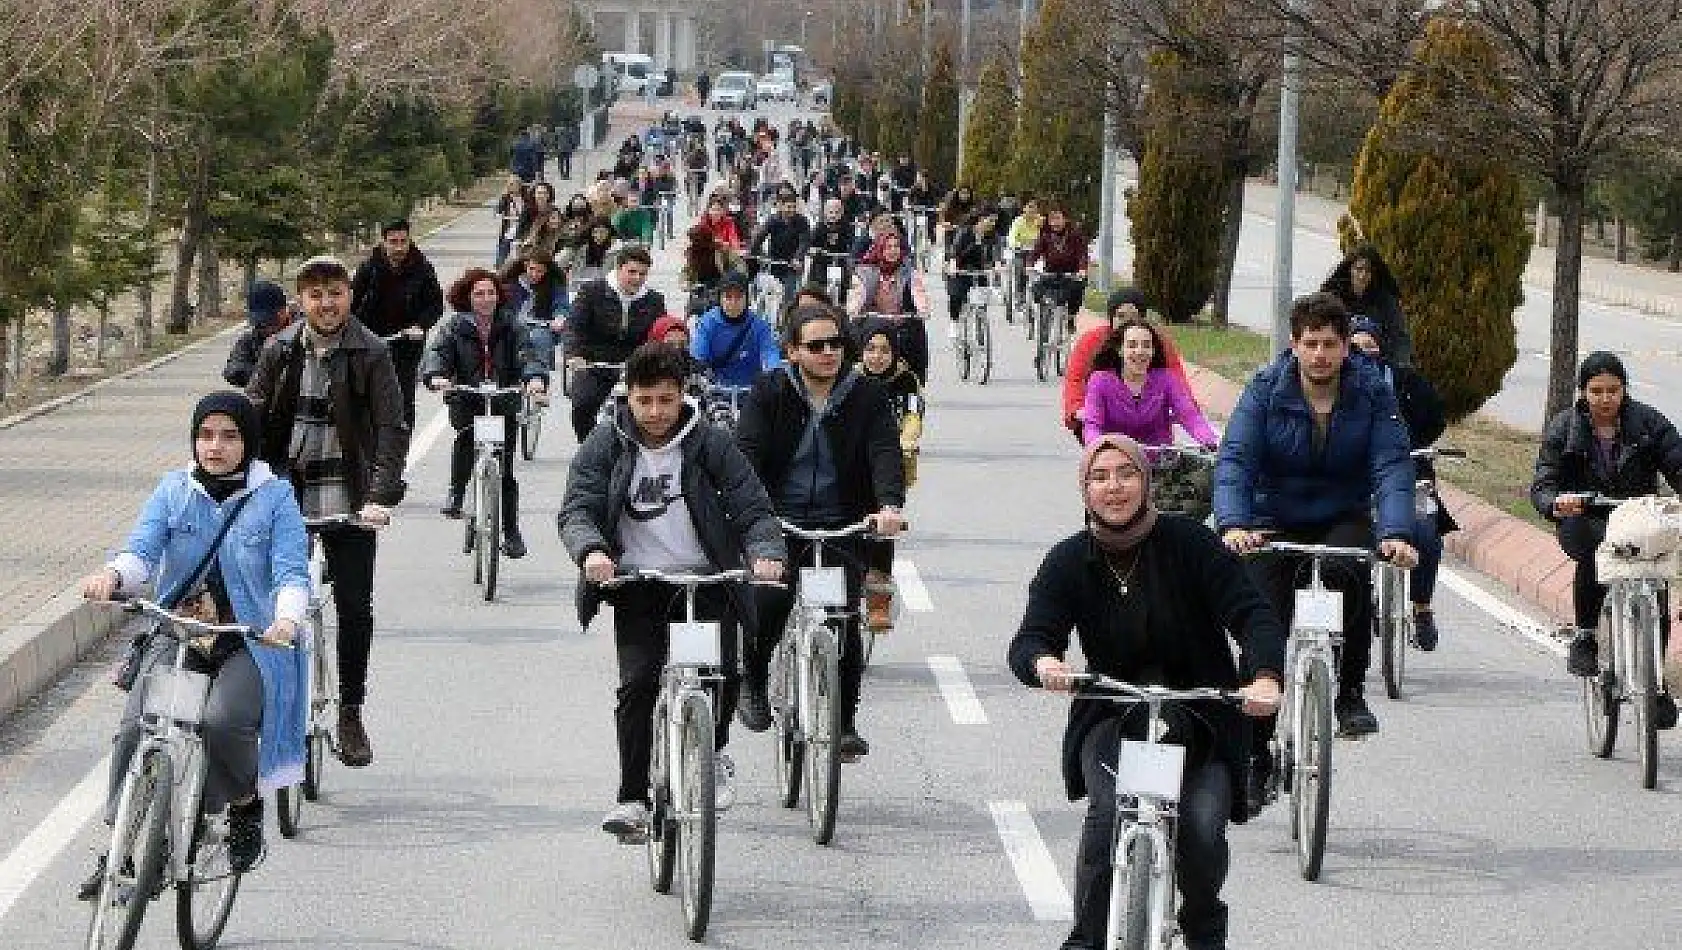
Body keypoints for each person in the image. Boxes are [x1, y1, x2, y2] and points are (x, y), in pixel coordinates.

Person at [1008, 433, 1285, 950]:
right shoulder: (1069, 560)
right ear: (1085, 490)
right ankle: (1087, 939)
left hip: (1200, 717)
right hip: (1114, 714)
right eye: (1100, 476)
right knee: (1108, 812)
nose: (1114, 487)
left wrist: (1264, 675)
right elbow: (1031, 637)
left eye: (1126, 473)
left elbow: (1253, 614)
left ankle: (1204, 926)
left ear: (1146, 480)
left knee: (1201, 834)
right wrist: (1043, 662)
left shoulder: (1191, 543)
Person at [75, 392, 309, 899]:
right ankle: (122, 844)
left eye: (229, 436)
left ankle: (244, 803)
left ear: (247, 443)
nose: (215, 447)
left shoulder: (276, 498)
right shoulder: (173, 490)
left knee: (222, 721)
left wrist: (286, 620)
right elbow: (141, 551)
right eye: (205, 435)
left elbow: (291, 570)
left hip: (247, 638)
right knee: (138, 722)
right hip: (178, 629)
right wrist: (112, 575)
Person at [560, 342, 786, 839]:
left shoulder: (710, 442)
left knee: (722, 674)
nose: (656, 412)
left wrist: (765, 552)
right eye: (646, 401)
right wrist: (592, 553)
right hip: (639, 583)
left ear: (682, 396)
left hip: (706, 582)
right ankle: (633, 799)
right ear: (630, 398)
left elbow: (753, 506)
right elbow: (578, 506)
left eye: (667, 399)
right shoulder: (606, 442)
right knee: (638, 684)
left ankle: (714, 747)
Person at [1214, 292, 1416, 746]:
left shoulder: (1371, 393)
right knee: (1263, 612)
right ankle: (1258, 728)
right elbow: (1237, 462)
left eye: (1329, 344)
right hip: (1272, 518)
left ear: (1346, 346)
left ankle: (1348, 693)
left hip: (1340, 514)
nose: (1320, 354)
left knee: (1351, 574)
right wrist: (1233, 524)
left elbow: (1391, 465)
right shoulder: (1264, 390)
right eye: (1311, 343)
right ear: (1294, 344)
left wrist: (1397, 532)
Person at [246, 255, 407, 767]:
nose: (327, 304)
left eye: (335, 292)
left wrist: (378, 497)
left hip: (350, 497)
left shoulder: (371, 352)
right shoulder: (279, 351)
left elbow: (390, 429)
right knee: (273, 603)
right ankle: (269, 702)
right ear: (302, 300)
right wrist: (240, 478)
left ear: (348, 296)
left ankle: (351, 711)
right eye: (315, 295)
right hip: (288, 495)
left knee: (354, 608)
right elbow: (251, 415)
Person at [735, 305, 907, 758]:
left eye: (835, 343)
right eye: (816, 345)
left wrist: (888, 505)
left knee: (845, 621)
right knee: (770, 598)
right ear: (792, 351)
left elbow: (884, 451)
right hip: (777, 521)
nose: (829, 352)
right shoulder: (769, 391)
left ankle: (843, 720)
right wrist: (751, 515)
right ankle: (752, 675)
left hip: (841, 522)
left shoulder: (865, 395)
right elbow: (746, 455)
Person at [1532, 350, 1682, 728]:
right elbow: (1543, 482)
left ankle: (1656, 682)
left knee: (1656, 578)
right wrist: (1556, 503)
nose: (1605, 398)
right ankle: (1584, 635)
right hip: (1587, 518)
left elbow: (1678, 464)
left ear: (1624, 390)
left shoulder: (1649, 423)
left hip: (1637, 518)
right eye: (1596, 390)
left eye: (1612, 390)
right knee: (1592, 553)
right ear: (1583, 393)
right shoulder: (1564, 427)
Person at [1348, 317, 1456, 651]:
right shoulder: (1343, 382)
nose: (1365, 353)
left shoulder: (1406, 379)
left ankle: (1421, 607)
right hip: (1357, 474)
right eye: (1356, 346)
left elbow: (1435, 416)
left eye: (1371, 345)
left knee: (1426, 531)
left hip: (1409, 468)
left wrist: (1415, 444)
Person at [424, 268, 547, 556]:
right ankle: (456, 492)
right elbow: (438, 354)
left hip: (503, 399)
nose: (486, 298)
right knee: (467, 437)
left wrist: (534, 378)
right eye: (479, 293)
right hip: (468, 398)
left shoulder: (512, 325)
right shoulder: (454, 327)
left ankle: (512, 532)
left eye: (491, 292)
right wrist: (437, 376)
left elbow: (528, 353)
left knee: (504, 471)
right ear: (467, 297)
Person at [854, 318, 925, 631]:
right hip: (850, 465)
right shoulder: (849, 378)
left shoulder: (905, 379)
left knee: (883, 525)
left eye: (884, 350)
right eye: (870, 349)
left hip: (890, 466)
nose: (877, 357)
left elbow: (913, 415)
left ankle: (879, 599)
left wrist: (907, 440)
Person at [349, 219, 445, 430]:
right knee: (365, 394)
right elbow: (352, 304)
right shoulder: (369, 268)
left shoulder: (422, 268)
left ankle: (401, 446)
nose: (399, 247)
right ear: (384, 242)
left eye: (403, 241)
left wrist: (421, 326)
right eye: (393, 242)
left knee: (403, 397)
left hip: (405, 345)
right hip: (370, 343)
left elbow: (436, 304)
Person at [566, 245, 667, 441]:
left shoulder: (654, 300)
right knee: (583, 405)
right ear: (618, 268)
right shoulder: (591, 291)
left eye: (642, 274)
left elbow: (659, 333)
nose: (637, 278)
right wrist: (574, 355)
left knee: (644, 412)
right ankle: (589, 448)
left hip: (634, 365)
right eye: (632, 272)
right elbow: (574, 327)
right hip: (593, 363)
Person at [1081, 319, 1218, 449]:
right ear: (1120, 350)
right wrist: (1097, 448)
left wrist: (1209, 441)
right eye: (1132, 345)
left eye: (1146, 345)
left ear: (1153, 351)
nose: (1140, 351)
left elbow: (1190, 415)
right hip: (1117, 463)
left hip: (1159, 463)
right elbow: (1092, 425)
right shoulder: (1099, 381)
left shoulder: (1166, 379)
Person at [848, 230, 931, 384]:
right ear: (880, 249)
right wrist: (854, 310)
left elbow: (918, 292)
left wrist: (922, 309)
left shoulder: (908, 272)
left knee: (916, 334)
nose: (893, 251)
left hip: (900, 323)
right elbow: (858, 293)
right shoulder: (865, 272)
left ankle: (915, 385)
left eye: (896, 247)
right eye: (888, 247)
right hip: (871, 323)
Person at [1323, 244, 1413, 369]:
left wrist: (1397, 368)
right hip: (1339, 365)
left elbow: (1399, 338)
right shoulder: (1331, 299)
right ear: (1349, 270)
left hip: (1378, 366)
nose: (1363, 275)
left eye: (1368, 271)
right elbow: (1322, 332)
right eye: (1358, 269)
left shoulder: (1385, 301)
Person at [690, 271, 783, 387]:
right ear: (720, 299)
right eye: (728, 297)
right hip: (716, 390)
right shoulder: (707, 323)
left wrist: (774, 373)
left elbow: (770, 352)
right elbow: (697, 354)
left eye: (739, 297)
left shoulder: (759, 325)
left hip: (752, 390)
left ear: (747, 299)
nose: (733, 303)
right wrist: (699, 368)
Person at [1027, 203, 1089, 329]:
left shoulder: (1075, 234)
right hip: (1051, 273)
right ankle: (1042, 315)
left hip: (1071, 273)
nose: (1054, 223)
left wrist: (1082, 269)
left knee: (1077, 288)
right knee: (1036, 287)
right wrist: (1029, 265)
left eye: (1057, 218)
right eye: (1051, 219)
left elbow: (1082, 254)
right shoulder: (1045, 235)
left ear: (1065, 219)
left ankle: (1071, 317)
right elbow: (1036, 252)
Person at [944, 204, 1002, 339]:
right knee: (956, 295)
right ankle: (954, 322)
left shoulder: (993, 235)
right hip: (960, 269)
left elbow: (996, 251)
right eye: (990, 220)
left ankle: (981, 323)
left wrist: (998, 264)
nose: (992, 224)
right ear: (981, 219)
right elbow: (955, 250)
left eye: (995, 221)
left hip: (979, 269)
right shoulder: (965, 232)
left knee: (982, 298)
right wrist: (953, 264)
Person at [505, 253, 569, 372]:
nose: (534, 274)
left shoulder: (554, 284)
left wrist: (559, 317)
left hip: (542, 326)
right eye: (532, 269)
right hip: (515, 325)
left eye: (540, 271)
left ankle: (537, 377)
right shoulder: (512, 283)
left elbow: (561, 305)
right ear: (525, 266)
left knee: (538, 337)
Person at [224, 281, 293, 388]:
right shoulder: (251, 338)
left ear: (284, 311)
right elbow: (233, 370)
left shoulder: (304, 331)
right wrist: (266, 373)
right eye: (260, 323)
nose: (267, 328)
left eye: (270, 321)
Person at [747, 191, 812, 303]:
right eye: (788, 207)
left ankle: (787, 316)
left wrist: (797, 258)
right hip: (774, 263)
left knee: (789, 296)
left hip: (792, 265)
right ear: (780, 206)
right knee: (770, 294)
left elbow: (804, 242)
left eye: (793, 207)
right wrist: (752, 252)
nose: (791, 210)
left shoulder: (802, 221)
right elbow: (760, 237)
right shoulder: (773, 220)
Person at [680, 223, 742, 316]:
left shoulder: (721, 249)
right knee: (699, 311)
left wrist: (732, 280)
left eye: (693, 240)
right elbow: (685, 273)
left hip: (720, 286)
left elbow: (739, 266)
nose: (691, 243)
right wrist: (687, 285)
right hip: (700, 289)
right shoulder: (692, 253)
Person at [806, 197, 856, 301]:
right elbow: (810, 243)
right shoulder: (819, 226)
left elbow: (853, 243)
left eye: (837, 212)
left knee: (845, 283)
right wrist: (814, 250)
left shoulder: (847, 226)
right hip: (822, 262)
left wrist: (851, 252)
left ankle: (842, 303)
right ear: (825, 212)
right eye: (831, 212)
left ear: (842, 212)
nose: (833, 215)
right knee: (817, 285)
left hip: (840, 261)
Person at [494, 176, 528, 268]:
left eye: (515, 184)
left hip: (522, 228)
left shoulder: (526, 197)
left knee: (520, 251)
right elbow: (498, 211)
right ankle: (499, 266)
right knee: (503, 247)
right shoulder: (506, 198)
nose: (513, 186)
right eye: (511, 184)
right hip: (509, 227)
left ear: (520, 185)